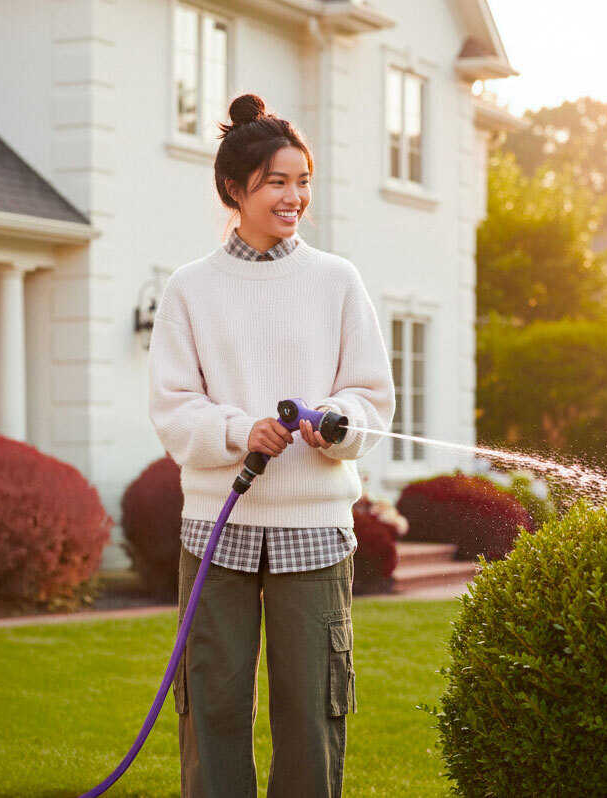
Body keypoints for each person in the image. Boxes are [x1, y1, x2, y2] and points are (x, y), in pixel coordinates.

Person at [147, 92, 395, 798]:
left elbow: (372, 398)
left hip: (314, 532)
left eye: (303, 180)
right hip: (215, 532)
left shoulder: (336, 281)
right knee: (213, 707)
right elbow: (172, 408)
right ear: (235, 188)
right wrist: (236, 431)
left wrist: (338, 424)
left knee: (311, 711)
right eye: (277, 182)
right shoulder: (190, 289)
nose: (295, 197)